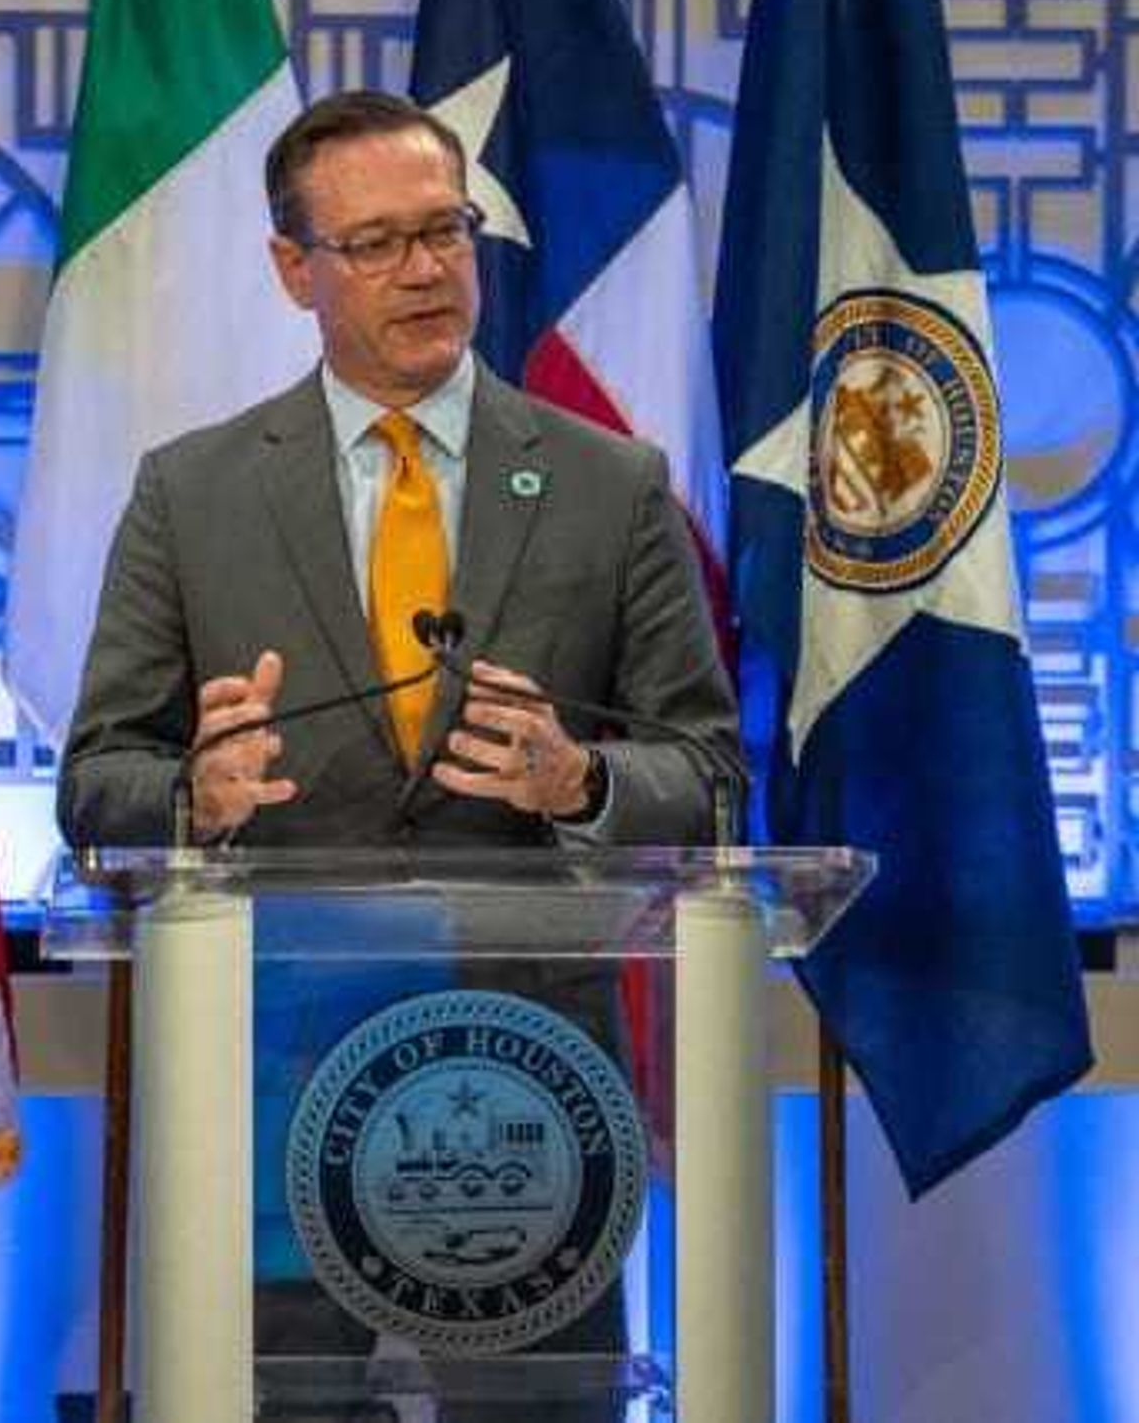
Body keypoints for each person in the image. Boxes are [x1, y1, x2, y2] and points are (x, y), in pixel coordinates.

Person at [57, 90, 739, 1414]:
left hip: (525, 1097)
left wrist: (581, 784)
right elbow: (96, 780)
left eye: (445, 231)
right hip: (271, 1100)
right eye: (376, 244)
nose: (426, 269)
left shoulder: (611, 483)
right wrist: (195, 797)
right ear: (292, 270)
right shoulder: (192, 494)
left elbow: (710, 777)